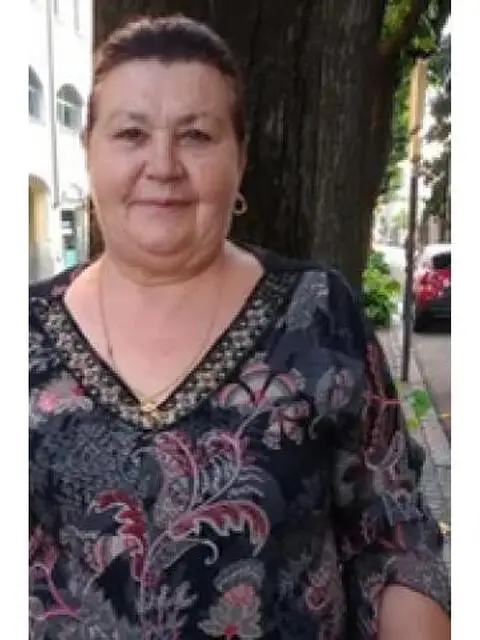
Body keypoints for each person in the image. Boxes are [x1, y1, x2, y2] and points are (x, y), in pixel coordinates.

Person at [29, 15, 450, 640]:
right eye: (131, 133)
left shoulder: (317, 313)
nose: (162, 165)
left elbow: (394, 539)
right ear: (89, 150)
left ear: (241, 158)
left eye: (196, 135)